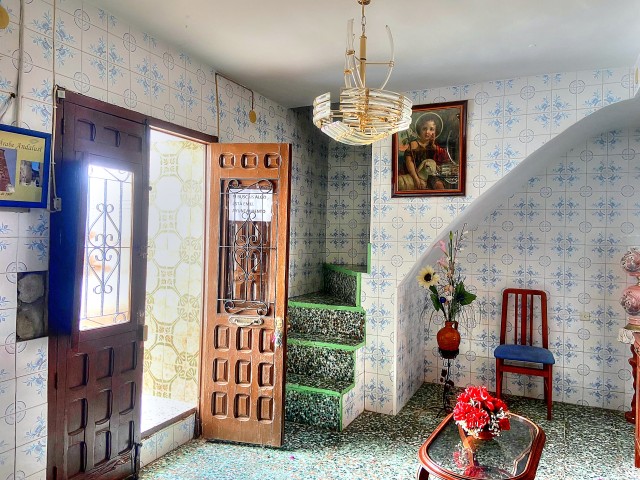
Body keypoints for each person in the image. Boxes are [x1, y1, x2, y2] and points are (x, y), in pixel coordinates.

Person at [398, 113, 455, 191]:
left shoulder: (434, 146)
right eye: (424, 128)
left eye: (431, 129)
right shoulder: (414, 144)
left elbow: (445, 159)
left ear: (435, 132)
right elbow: (409, 162)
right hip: (414, 175)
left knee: (439, 185)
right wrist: (416, 178)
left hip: (430, 176)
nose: (427, 132)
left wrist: (433, 145)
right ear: (420, 130)